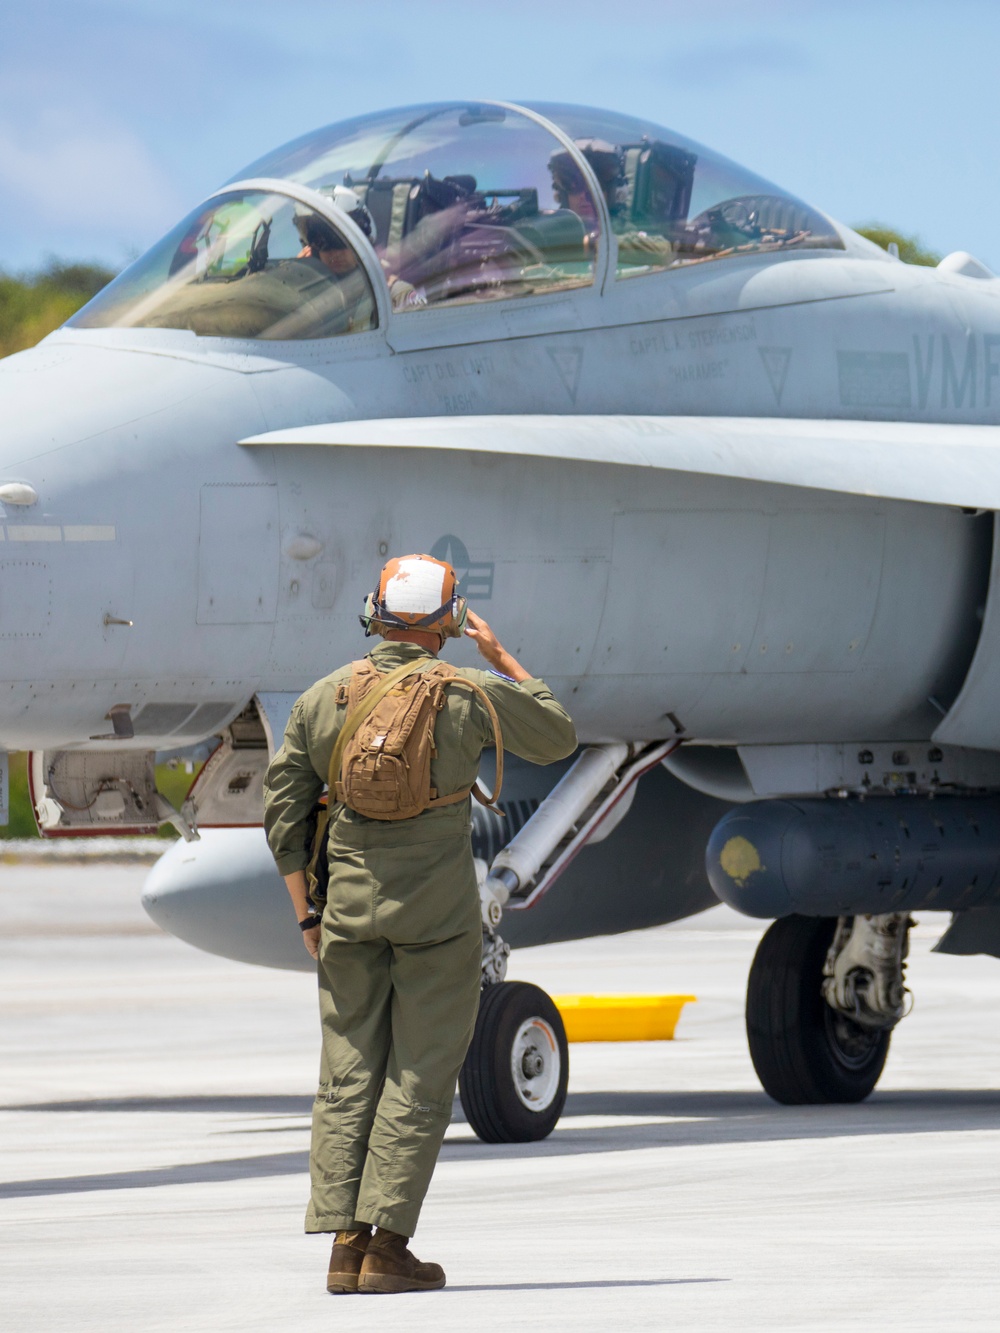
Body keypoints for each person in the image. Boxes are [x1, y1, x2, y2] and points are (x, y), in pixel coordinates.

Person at [263, 553, 576, 1295]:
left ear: (374, 613)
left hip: (345, 914)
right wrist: (496, 653)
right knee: (421, 1071)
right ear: (449, 620)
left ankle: (344, 1244)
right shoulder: (469, 695)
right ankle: (388, 1246)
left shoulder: (322, 698)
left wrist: (306, 911)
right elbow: (557, 733)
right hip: (435, 919)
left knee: (348, 1071)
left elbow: (282, 814)